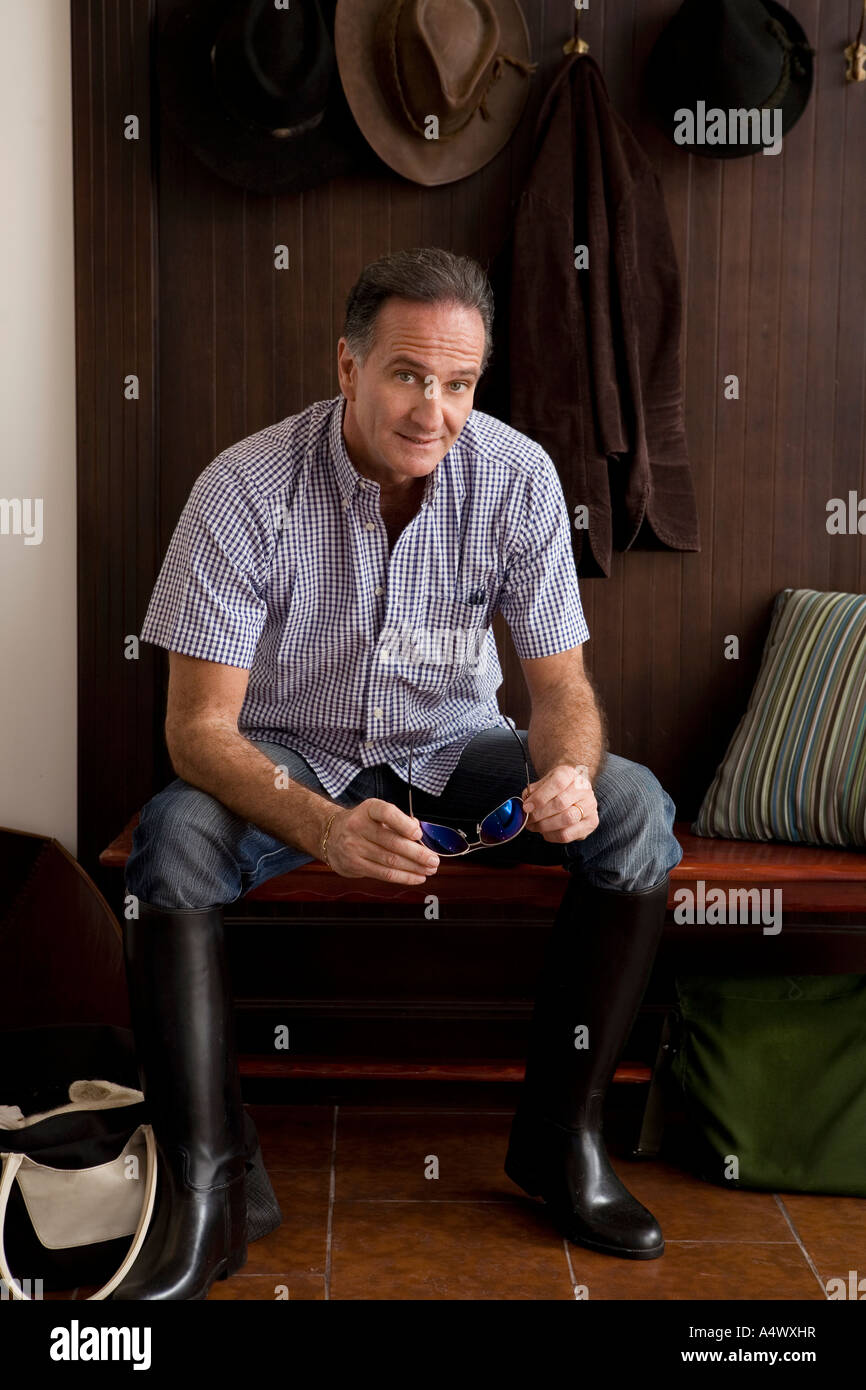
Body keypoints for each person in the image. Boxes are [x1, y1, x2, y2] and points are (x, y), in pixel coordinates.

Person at [112, 246, 683, 1300]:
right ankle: (208, 1181)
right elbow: (197, 732)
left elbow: (560, 689)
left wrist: (565, 772)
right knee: (174, 841)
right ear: (347, 366)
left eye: (458, 382)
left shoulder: (516, 478)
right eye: (408, 375)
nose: (434, 409)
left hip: (452, 746)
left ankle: (564, 1143)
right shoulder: (241, 490)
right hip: (289, 755)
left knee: (634, 810)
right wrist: (319, 824)